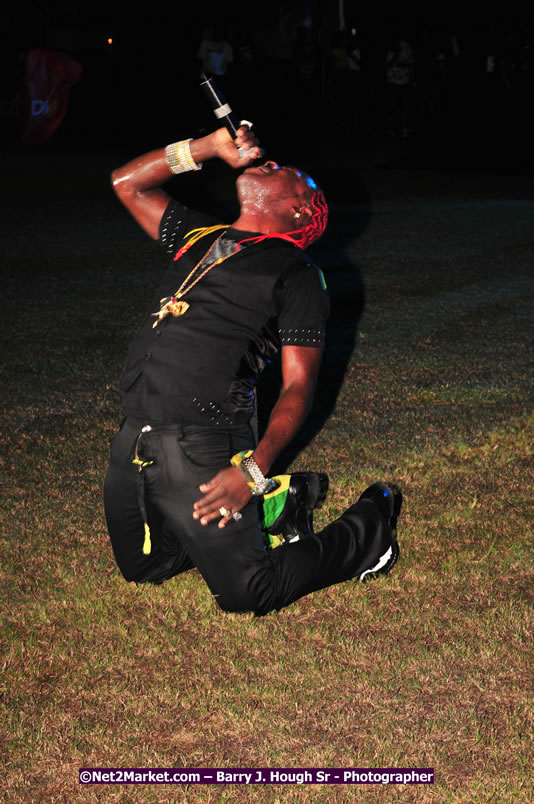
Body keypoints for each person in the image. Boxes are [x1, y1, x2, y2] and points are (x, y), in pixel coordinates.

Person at [104, 124, 402, 616]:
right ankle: (281, 504)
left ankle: (368, 530)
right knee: (145, 564)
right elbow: (126, 183)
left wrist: (253, 469)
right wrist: (207, 148)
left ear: (299, 208)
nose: (271, 162)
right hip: (136, 432)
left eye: (288, 173)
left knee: (249, 592)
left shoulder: (296, 272)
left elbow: (298, 387)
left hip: (205, 439)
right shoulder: (200, 235)